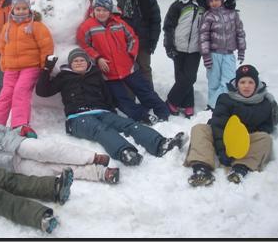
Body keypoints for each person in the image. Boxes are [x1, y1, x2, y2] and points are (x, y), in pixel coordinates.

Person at [36, 47, 186, 166]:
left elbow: (107, 94)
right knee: (101, 130)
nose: (79, 63)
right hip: (77, 118)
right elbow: (42, 91)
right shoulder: (64, 77)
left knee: (128, 124)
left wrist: (112, 112)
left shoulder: (95, 75)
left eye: (82, 60)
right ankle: (125, 152)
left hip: (102, 111)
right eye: (75, 61)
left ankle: (160, 144)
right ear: (70, 64)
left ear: (88, 62)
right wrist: (47, 69)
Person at [0, 112, 120, 184]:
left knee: (51, 150)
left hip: (19, 145)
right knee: (51, 170)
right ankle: (101, 174)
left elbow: (8, 130)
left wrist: (22, 129)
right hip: (12, 165)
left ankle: (92, 157)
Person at [77, 0, 170, 125]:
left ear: (110, 11)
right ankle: (143, 116)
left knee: (144, 90)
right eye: (98, 10)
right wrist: (97, 58)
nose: (101, 13)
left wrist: (130, 55)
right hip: (108, 73)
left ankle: (162, 111)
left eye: (104, 10)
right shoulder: (86, 27)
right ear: (93, 10)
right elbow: (84, 46)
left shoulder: (119, 23)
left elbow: (133, 38)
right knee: (122, 100)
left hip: (128, 67)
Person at [183, 64, 278, 186]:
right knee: (199, 129)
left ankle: (239, 169)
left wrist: (244, 139)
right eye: (242, 82)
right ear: (237, 84)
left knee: (265, 139)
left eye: (250, 82)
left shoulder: (265, 103)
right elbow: (218, 126)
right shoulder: (225, 99)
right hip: (219, 135)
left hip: (244, 142)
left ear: (256, 84)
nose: (246, 86)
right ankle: (202, 169)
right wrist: (222, 150)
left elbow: (267, 126)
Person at [0, 0, 53, 128]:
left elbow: (46, 46)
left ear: (29, 9)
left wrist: (44, 66)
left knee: (20, 92)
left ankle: (20, 124)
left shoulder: (35, 26)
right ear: (13, 10)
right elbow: (2, 47)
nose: (21, 11)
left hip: (30, 67)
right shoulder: (7, 27)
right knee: (6, 94)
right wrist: (3, 63)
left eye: (24, 8)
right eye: (18, 9)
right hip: (11, 68)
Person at [163, 0, 208, 118]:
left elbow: (218, 8)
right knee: (181, 78)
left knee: (189, 78)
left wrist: (228, 5)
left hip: (195, 49)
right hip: (178, 47)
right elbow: (168, 27)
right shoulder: (178, 5)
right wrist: (169, 45)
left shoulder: (204, 5)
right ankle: (188, 104)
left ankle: (171, 101)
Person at [200, 0, 246, 111]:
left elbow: (240, 32)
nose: (214, 3)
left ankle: (213, 104)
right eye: (211, 1)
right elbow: (204, 37)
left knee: (228, 82)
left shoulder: (232, 14)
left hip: (229, 54)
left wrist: (241, 50)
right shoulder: (208, 16)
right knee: (213, 82)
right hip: (214, 54)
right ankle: (213, 108)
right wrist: (206, 56)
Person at [116, 0, 161, 88]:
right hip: (127, 41)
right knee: (128, 68)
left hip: (143, 40)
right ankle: (130, 97)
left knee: (144, 68)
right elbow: (117, 19)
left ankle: (149, 97)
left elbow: (155, 20)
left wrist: (153, 40)